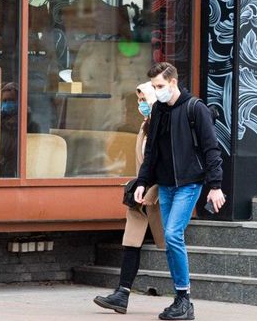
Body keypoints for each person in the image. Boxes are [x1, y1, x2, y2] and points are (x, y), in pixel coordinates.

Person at [132, 62, 225, 321]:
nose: (157, 91)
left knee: (173, 234)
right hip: (166, 184)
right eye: (154, 87)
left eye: (160, 85)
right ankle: (180, 298)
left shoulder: (195, 108)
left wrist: (215, 186)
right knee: (170, 240)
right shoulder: (159, 110)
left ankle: (184, 299)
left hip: (189, 183)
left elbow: (211, 149)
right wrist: (142, 182)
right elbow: (152, 151)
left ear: (173, 82)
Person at [94, 82, 166, 314]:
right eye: (139, 101)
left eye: (145, 100)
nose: (141, 105)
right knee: (131, 242)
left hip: (162, 194)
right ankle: (122, 294)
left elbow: (168, 164)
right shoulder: (145, 126)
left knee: (173, 245)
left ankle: (183, 295)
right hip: (140, 193)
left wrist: (153, 190)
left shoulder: (165, 127)